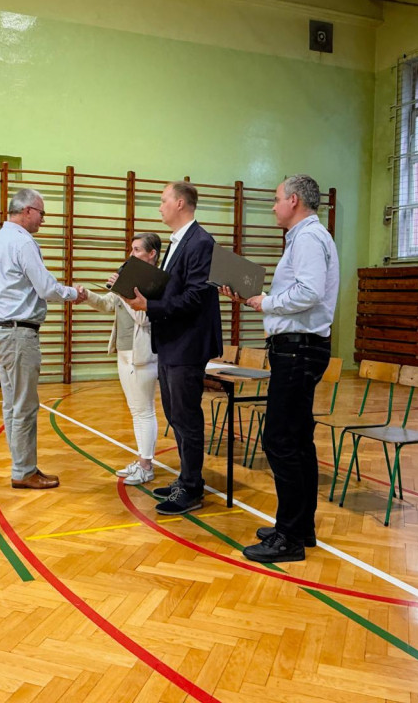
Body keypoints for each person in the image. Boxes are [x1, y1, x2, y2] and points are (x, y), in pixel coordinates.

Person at [224, 174, 339, 564]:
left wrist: (266, 302)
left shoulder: (307, 238)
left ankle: (289, 536)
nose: (272, 207)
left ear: (294, 200)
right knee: (296, 439)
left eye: (276, 200)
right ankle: (299, 526)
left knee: (280, 440)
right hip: (298, 348)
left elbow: (309, 291)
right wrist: (256, 299)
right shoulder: (305, 237)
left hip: (299, 350)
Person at [124, 181, 221, 515]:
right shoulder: (179, 242)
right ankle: (185, 477)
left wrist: (148, 307)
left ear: (181, 203)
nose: (160, 206)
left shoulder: (201, 242)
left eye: (164, 200)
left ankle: (193, 487)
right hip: (171, 342)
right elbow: (171, 290)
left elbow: (196, 297)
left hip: (187, 343)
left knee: (186, 416)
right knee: (176, 416)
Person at [0, 188, 87, 490]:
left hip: (3, 331)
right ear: (28, 210)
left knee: (12, 405)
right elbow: (45, 287)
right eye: (42, 213)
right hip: (18, 334)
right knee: (25, 406)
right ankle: (24, 471)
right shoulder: (22, 241)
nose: (43, 220)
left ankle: (22, 466)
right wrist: (74, 294)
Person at [83, 233, 161, 485]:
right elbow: (108, 305)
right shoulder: (130, 279)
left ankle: (147, 466)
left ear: (152, 254)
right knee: (135, 410)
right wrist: (87, 297)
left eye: (138, 250)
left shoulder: (156, 283)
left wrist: (124, 292)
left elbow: (144, 318)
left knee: (144, 411)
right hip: (124, 351)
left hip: (143, 355)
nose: (132, 254)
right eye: (131, 249)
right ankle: (141, 461)